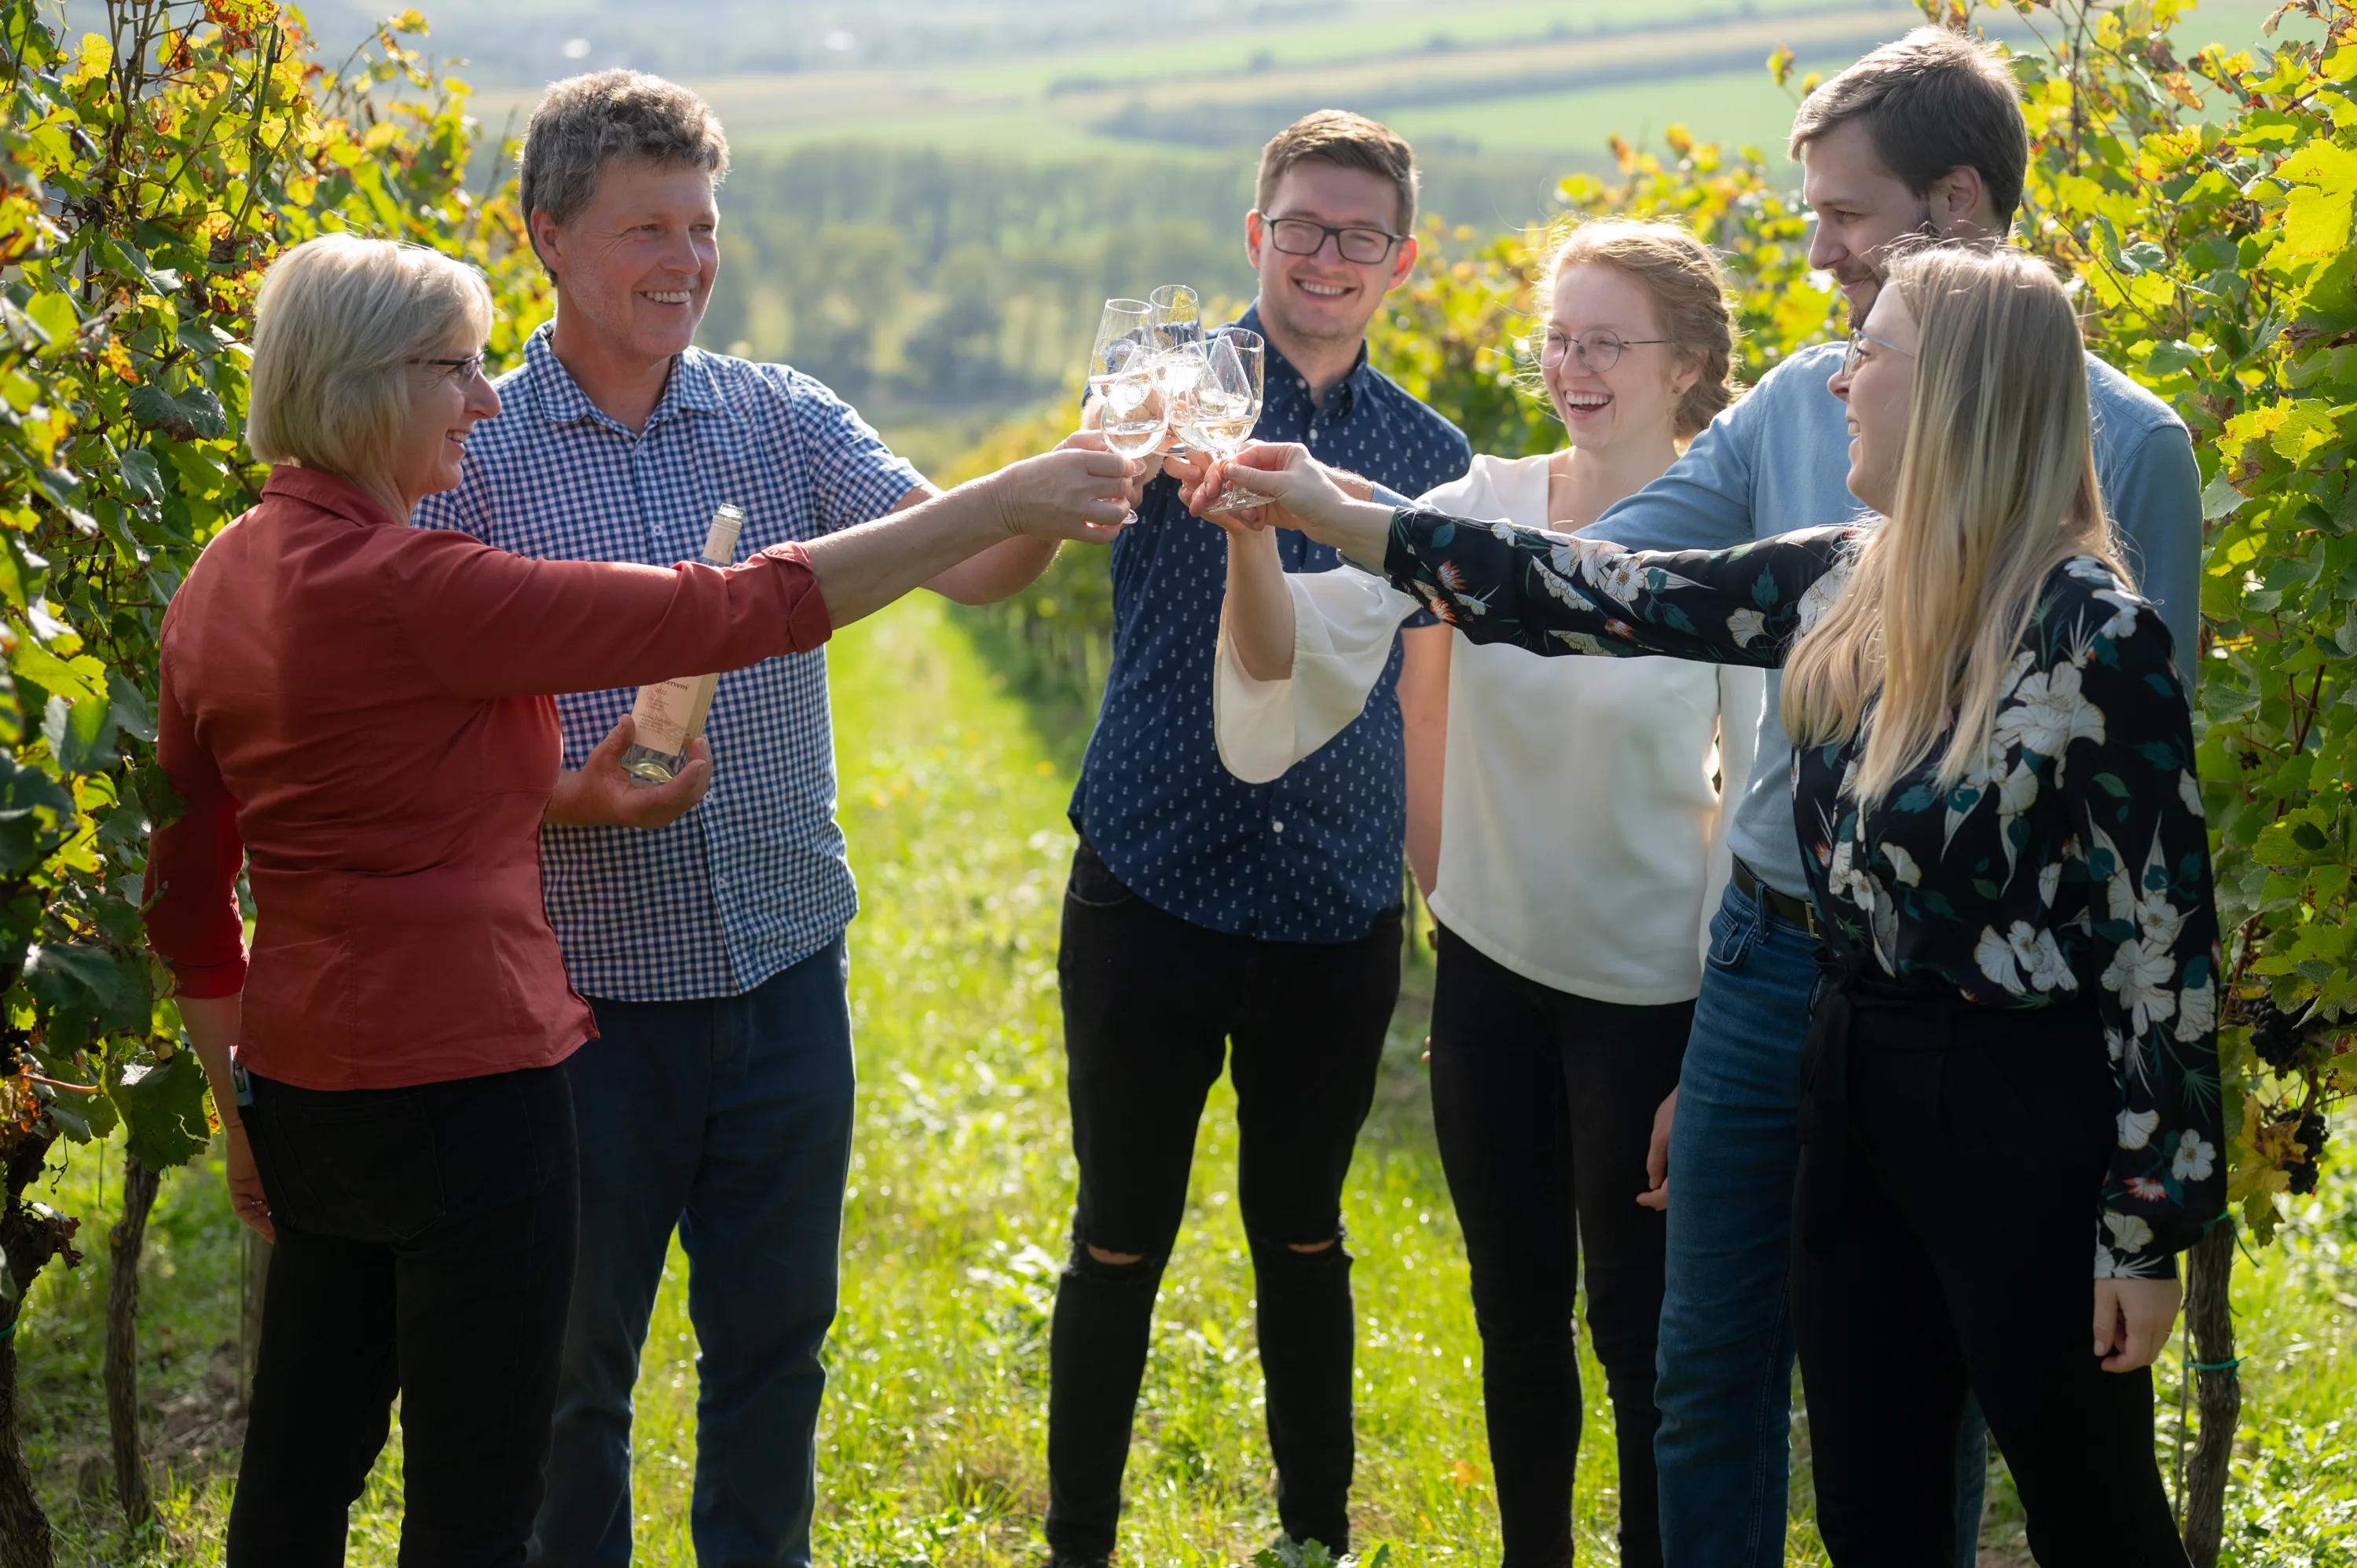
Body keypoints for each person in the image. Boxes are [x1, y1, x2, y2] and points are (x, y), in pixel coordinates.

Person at [1194, 240, 2221, 1566]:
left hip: (2020, 1116)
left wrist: (2144, 1231)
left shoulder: (2101, 640)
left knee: (2088, 1505)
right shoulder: (1847, 577)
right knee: (1870, 1501)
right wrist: (1342, 517)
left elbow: (2164, 958)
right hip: (1847, 1073)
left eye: (1874, 355)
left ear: (1958, 391)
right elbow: (1593, 592)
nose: (1841, 385)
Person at [143, 235, 1130, 1566]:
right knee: (482, 1491)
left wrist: (243, 1110)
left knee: (301, 1462)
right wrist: (1002, 498)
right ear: (367, 382)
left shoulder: (220, 577)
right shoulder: (413, 587)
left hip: (312, 1086)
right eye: (457, 370)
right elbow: (734, 609)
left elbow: (197, 898)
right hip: (471, 1088)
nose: (484, 402)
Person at [406, 73, 1127, 1568]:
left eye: (704, 225)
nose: (684, 258)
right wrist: (566, 795)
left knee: (773, 1360)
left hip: (788, 978)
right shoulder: (471, 453)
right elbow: (414, 737)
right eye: (646, 228)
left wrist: (1061, 485)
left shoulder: (779, 415)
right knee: (570, 1384)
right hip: (578, 999)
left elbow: (978, 570)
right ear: (546, 236)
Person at [1507, 30, 2201, 1564]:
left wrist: (2133, 1185)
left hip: (1979, 1025)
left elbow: (2145, 840)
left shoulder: (2131, 446)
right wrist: (1387, 521)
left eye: (1846, 214)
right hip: (1776, 962)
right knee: (1712, 1368)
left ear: (1958, 204)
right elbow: (1616, 569)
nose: (1813, 250)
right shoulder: (1799, 406)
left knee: (1933, 1407)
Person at [1209, 218, 1761, 1568]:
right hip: (1494, 975)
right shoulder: (1483, 507)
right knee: (1514, 1319)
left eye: (1605, 341)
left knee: (1640, 1341)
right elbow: (1301, 656)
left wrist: (1722, 1057)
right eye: (1557, 336)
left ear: (1689, 364)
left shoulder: (1738, 548)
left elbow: (1755, 805)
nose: (1571, 365)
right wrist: (1245, 531)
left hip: (1654, 1001)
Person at [1043, 109, 1470, 1568]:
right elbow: (1019, 549)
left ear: (1401, 258)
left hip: (1331, 903)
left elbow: (1425, 700)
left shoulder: (1430, 456)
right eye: (1303, 226)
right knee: (1117, 1237)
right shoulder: (1158, 396)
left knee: (1304, 1235)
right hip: (1149, 877)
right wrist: (1091, 464)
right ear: (1256, 235)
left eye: (1360, 234)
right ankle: (1079, 1543)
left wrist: (1436, 895)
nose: (1329, 257)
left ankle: (1313, 1538)